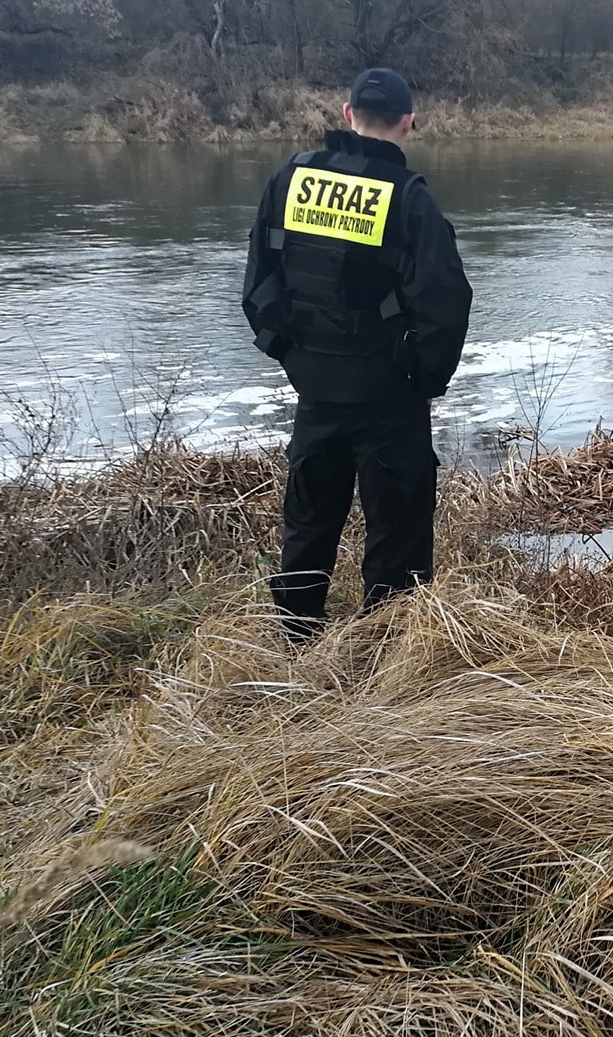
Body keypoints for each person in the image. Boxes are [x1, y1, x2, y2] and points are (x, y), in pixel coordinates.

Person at [242, 67, 473, 641]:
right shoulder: (408, 199)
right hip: (388, 395)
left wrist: (291, 354)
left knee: (308, 524)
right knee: (397, 533)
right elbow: (444, 305)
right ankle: (385, 661)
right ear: (409, 123)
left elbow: (258, 283)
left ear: (346, 116)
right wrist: (423, 380)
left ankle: (294, 647)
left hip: (314, 388)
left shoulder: (291, 180)